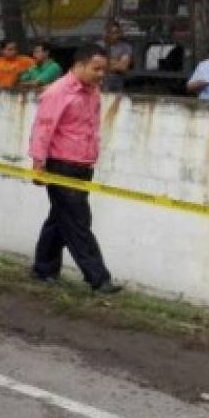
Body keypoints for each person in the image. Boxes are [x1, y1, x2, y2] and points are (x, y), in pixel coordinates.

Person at [28, 43, 122, 294]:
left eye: (104, 69)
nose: (101, 74)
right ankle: (99, 278)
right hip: (62, 165)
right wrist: (38, 164)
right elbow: (42, 129)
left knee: (60, 219)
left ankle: (43, 268)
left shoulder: (92, 92)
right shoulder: (58, 92)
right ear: (79, 65)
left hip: (82, 165)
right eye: (96, 68)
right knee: (79, 222)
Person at [99, 20, 132, 92]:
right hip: (99, 82)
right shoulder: (98, 46)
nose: (112, 35)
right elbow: (94, 65)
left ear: (119, 33)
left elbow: (123, 67)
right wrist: (116, 61)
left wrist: (104, 63)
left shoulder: (125, 47)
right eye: (109, 32)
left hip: (116, 84)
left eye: (115, 32)